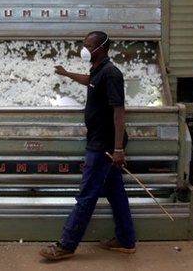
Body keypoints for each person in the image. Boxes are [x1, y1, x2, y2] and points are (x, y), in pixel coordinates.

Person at [39, 31, 136, 260]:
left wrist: (118, 149)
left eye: (87, 45)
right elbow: (89, 82)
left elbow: (119, 111)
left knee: (87, 195)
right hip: (101, 142)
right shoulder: (99, 71)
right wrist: (66, 74)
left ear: (100, 48)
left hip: (103, 145)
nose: (83, 49)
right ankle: (126, 239)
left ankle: (66, 245)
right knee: (116, 192)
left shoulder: (111, 74)